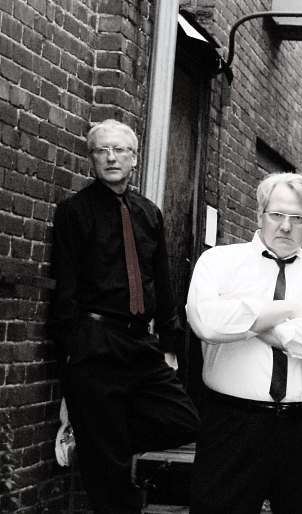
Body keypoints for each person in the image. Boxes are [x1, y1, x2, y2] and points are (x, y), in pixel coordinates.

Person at [47, 119, 200, 514]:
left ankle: (94, 437)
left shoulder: (149, 213)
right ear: (91, 160)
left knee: (182, 419)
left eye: (120, 150)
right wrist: (73, 347)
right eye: (101, 150)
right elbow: (65, 289)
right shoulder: (74, 212)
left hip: (139, 343)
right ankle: (100, 446)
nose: (111, 157)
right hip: (95, 342)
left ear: (134, 158)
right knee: (110, 479)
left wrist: (169, 344)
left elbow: (163, 283)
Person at [186, 173, 302, 514]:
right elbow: (207, 323)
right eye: (277, 215)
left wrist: (245, 314)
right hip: (232, 425)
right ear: (259, 214)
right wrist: (290, 311)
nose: (286, 227)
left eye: (297, 218)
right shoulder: (218, 262)